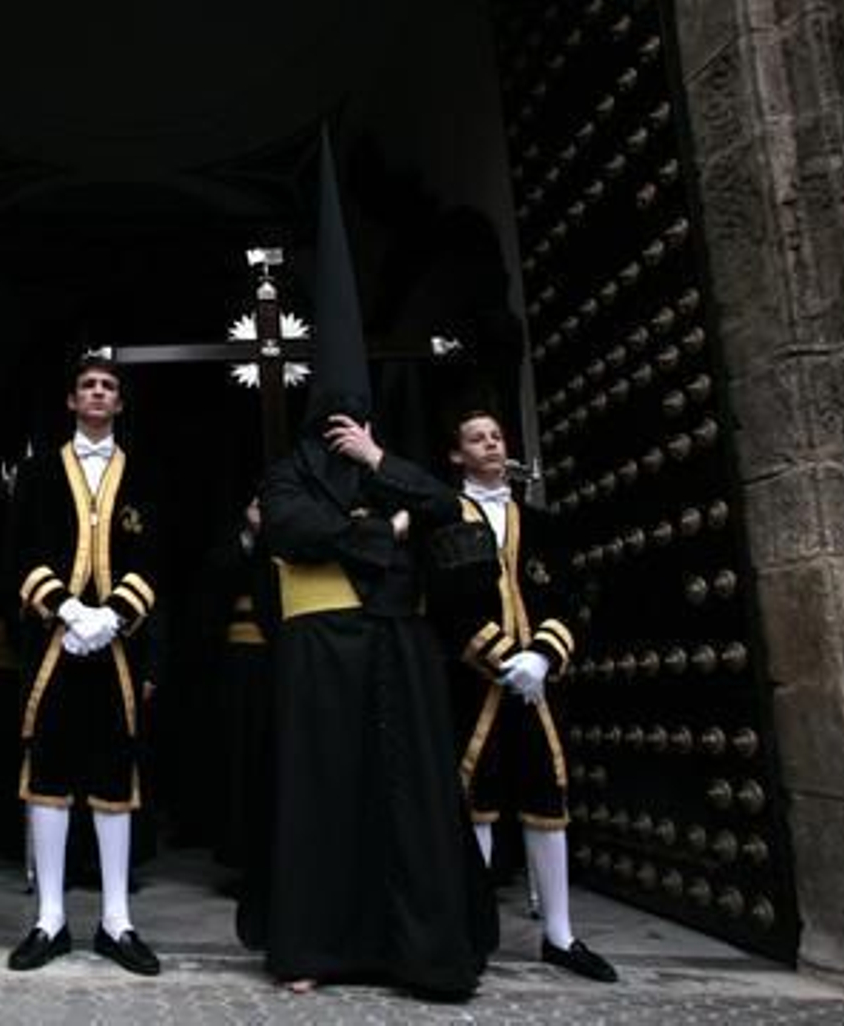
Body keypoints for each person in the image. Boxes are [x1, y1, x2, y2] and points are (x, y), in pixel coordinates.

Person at [261, 393, 495, 999]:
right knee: (325, 795)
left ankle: (420, 954)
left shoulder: (392, 468)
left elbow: (446, 506)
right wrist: (384, 532)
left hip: (399, 647)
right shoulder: (289, 474)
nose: (345, 429)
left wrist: (377, 459)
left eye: (358, 419)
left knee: (408, 793)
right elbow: (293, 529)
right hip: (322, 654)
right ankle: (314, 947)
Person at [438, 411, 617, 983]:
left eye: (496, 436)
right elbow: (444, 602)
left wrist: (542, 656)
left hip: (538, 684)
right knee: (477, 798)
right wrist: (499, 658)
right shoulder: (445, 517)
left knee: (547, 798)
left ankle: (559, 936)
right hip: (474, 683)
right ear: (457, 455)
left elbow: (569, 595)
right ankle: (472, 931)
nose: (491, 445)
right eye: (477, 438)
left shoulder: (541, 524)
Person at [4, 349, 161, 977]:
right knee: (48, 772)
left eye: (108, 386)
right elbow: (20, 550)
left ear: (119, 402)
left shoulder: (145, 472)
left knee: (113, 776)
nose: (98, 392)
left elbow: (157, 557)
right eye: (88, 385)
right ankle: (50, 920)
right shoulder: (38, 471)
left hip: (119, 649)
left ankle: (116, 922)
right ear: (72, 400)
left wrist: (112, 617)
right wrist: (68, 612)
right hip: (53, 648)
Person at [196, 495, 278, 948]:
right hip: (244, 662)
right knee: (241, 761)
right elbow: (215, 581)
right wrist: (250, 535)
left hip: (289, 660)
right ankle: (244, 863)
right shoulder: (236, 542)